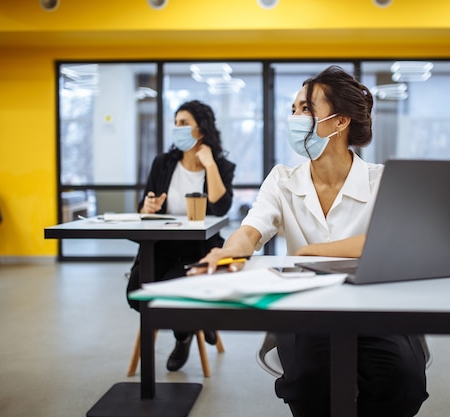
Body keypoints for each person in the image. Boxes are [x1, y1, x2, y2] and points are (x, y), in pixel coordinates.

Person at [189, 66, 428, 416]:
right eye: (294, 110)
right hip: (307, 308)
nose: (295, 118)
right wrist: (226, 252)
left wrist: (310, 251)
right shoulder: (283, 180)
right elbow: (251, 231)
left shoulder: (381, 180)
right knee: (308, 381)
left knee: (402, 379)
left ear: (340, 121)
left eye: (306, 109)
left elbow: (389, 243)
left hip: (375, 308)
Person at [126, 100, 235, 372]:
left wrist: (209, 165)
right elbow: (145, 203)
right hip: (161, 244)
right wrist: (146, 207)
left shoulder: (221, 166)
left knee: (177, 292)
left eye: (184, 123)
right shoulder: (163, 163)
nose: (178, 129)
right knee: (136, 293)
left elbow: (221, 207)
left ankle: (183, 335)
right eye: (175, 123)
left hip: (199, 248)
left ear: (201, 130)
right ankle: (199, 321)